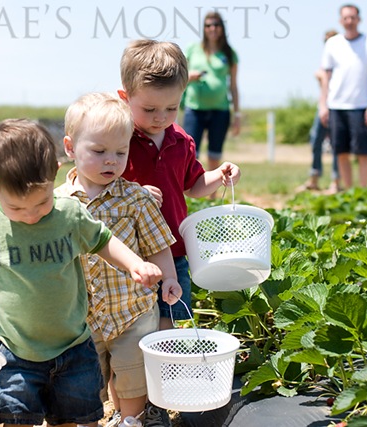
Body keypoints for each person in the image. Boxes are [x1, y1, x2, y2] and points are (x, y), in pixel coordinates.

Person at [0, 118, 164, 427]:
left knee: (73, 417)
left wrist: (135, 264)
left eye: (42, 202)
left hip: (73, 346)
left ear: (55, 173)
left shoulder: (69, 213)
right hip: (14, 349)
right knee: (16, 418)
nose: (31, 215)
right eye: (16, 208)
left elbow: (103, 241)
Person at [117, 38, 241, 427]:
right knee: (128, 332)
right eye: (149, 109)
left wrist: (219, 176)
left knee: (167, 326)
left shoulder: (181, 140)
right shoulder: (118, 141)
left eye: (171, 108)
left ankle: (159, 402)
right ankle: (128, 406)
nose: (161, 117)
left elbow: (193, 185)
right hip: (128, 256)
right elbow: (101, 186)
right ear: (125, 98)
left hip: (174, 252)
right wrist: (134, 192)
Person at [55, 92, 183, 427]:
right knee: (85, 379)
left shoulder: (136, 199)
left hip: (132, 309)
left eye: (120, 152)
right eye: (99, 152)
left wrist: (169, 278)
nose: (111, 161)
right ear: (70, 148)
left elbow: (157, 245)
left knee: (132, 375)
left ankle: (131, 420)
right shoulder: (58, 204)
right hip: (80, 316)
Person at [319, 4, 367, 189]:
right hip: (336, 105)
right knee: (341, 152)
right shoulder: (332, 44)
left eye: (352, 17)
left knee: (363, 152)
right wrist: (323, 105)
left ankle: (362, 192)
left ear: (359, 19)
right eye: (346, 18)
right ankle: (348, 192)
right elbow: (326, 77)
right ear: (340, 20)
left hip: (361, 105)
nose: (349, 21)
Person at [182, 11, 241, 186]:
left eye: (216, 25)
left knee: (215, 154)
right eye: (208, 25)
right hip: (194, 108)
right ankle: (191, 190)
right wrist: (190, 75)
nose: (212, 28)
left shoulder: (229, 53)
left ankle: (212, 193)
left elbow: (234, 86)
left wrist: (237, 115)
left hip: (220, 110)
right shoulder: (192, 49)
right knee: (191, 153)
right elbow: (178, 75)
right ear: (204, 28)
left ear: (222, 28)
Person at [300, 29, 340, 193]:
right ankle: (314, 178)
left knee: (337, 145)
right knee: (316, 140)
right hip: (322, 107)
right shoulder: (325, 60)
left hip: (337, 107)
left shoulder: (341, 62)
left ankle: (336, 181)